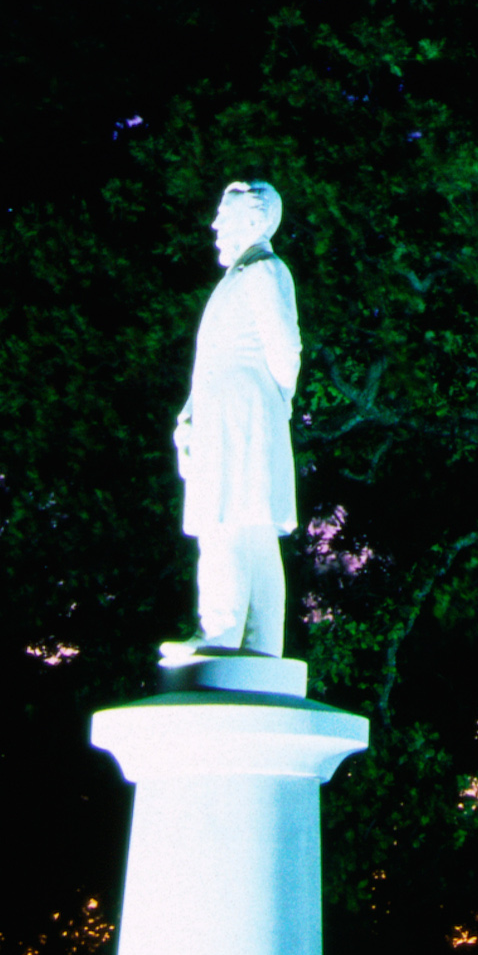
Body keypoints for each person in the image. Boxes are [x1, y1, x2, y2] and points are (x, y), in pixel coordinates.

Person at [172, 179, 301, 657]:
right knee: (251, 527)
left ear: (252, 219)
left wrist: (268, 410)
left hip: (242, 419)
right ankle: (262, 647)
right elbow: (211, 363)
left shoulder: (265, 271)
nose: (215, 224)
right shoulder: (241, 276)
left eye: (224, 215)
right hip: (230, 418)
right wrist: (190, 417)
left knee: (229, 519)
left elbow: (285, 350)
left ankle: (222, 631)